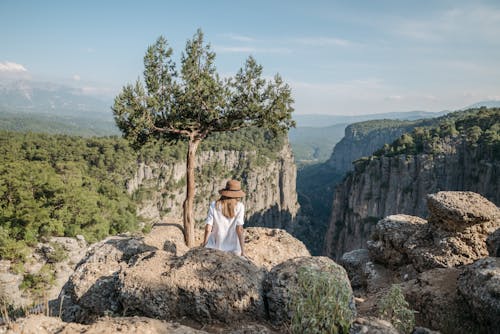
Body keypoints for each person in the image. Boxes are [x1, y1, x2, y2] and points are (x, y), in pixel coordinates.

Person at [202, 179, 246, 257]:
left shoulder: (214, 205)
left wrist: (205, 244)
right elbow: (239, 229)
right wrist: (243, 251)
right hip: (233, 250)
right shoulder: (240, 206)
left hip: (214, 248)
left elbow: (208, 228)